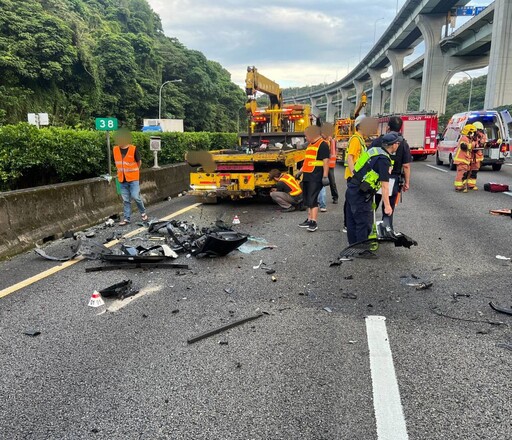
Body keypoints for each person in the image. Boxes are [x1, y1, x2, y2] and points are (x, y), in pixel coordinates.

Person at [345, 132, 402, 247]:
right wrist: (387, 206)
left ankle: (354, 245)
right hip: (361, 193)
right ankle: (362, 249)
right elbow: (385, 186)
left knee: (352, 219)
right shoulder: (384, 160)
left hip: (352, 187)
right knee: (364, 222)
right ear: (393, 145)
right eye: (398, 143)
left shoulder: (374, 151)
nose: (399, 145)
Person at [371, 116, 411, 228]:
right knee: (389, 206)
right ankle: (387, 228)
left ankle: (369, 227)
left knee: (373, 203)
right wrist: (407, 182)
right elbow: (406, 165)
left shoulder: (378, 140)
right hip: (393, 178)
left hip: (375, 177)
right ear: (400, 128)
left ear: (388, 127)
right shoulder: (402, 143)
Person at [296, 125, 330, 232]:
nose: (305, 137)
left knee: (313, 199)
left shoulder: (323, 145)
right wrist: (300, 171)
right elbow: (307, 161)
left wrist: (325, 176)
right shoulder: (310, 145)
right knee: (308, 199)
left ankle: (313, 222)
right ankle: (309, 219)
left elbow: (326, 161)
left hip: (316, 175)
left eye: (306, 135)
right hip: (307, 174)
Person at [113, 128, 148, 225]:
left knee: (136, 197)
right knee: (125, 200)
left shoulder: (133, 149)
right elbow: (117, 163)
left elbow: (139, 162)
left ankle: (143, 213)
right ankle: (126, 218)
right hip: (121, 179)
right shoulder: (115, 150)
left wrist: (134, 171)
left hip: (133, 178)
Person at [343, 114, 368, 232]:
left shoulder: (360, 139)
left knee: (350, 200)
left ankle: (348, 224)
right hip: (354, 176)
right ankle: (347, 224)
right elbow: (350, 158)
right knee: (351, 202)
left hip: (357, 175)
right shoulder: (355, 139)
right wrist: (355, 174)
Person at [453, 124, 477, 193]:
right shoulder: (464, 138)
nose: (473, 135)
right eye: (472, 133)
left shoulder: (468, 139)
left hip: (465, 160)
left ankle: (462, 186)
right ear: (468, 132)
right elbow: (464, 146)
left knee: (464, 174)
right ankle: (458, 186)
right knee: (461, 174)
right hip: (461, 160)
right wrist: (472, 145)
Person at [468, 121, 486, 190]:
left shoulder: (482, 136)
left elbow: (483, 143)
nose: (478, 132)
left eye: (479, 130)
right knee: (467, 171)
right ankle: (464, 184)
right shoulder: (470, 135)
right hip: (470, 156)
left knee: (474, 171)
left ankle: (471, 185)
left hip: (477, 156)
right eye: (477, 130)